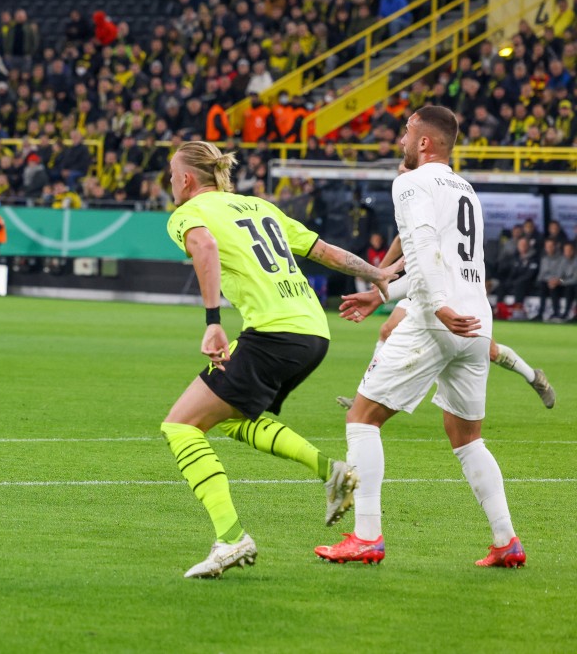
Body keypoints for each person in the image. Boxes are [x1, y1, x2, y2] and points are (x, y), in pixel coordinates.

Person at [161, 141, 399, 579]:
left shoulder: (186, 215)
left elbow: (206, 248)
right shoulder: (258, 206)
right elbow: (323, 250)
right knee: (230, 419)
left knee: (181, 426)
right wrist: (376, 272)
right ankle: (331, 471)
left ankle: (231, 539)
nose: (170, 181)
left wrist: (213, 321)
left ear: (188, 179)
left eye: (172, 173)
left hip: (274, 333)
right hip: (313, 333)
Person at [317, 106, 527, 568]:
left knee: (362, 418)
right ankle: (506, 540)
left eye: (407, 132)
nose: (401, 140)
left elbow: (425, 250)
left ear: (425, 143)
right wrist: (383, 294)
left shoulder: (411, 182)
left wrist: (434, 307)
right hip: (476, 319)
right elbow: (451, 264)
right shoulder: (464, 188)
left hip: (441, 317)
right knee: (467, 436)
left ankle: (367, 536)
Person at [336, 231, 556, 410]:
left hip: (452, 287)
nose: (402, 174)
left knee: (489, 350)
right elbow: (402, 237)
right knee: (387, 330)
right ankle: (365, 395)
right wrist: (380, 272)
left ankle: (534, 377)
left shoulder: (435, 205)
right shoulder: (412, 198)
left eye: (405, 172)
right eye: (400, 172)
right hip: (422, 285)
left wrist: (381, 286)